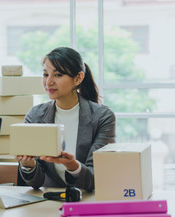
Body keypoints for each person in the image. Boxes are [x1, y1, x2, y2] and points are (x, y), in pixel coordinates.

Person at [17, 47, 116, 192]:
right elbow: (36, 183)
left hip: (86, 201)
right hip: (47, 202)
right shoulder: (35, 115)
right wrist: (28, 164)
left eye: (57, 75)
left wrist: (72, 166)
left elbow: (96, 178)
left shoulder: (103, 117)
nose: (48, 82)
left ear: (78, 78)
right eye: (45, 74)